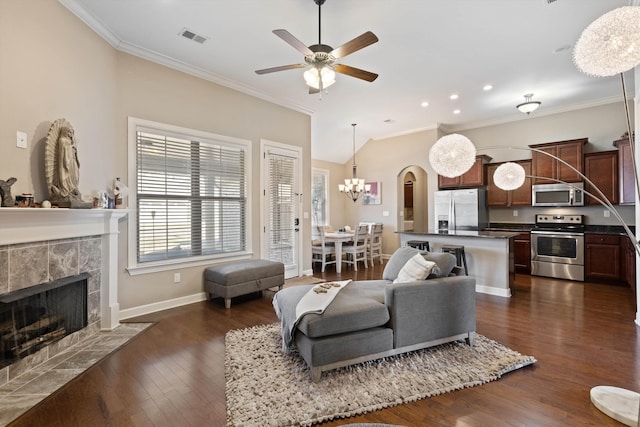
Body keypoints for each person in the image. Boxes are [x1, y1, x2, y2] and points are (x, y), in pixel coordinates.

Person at [54, 123, 80, 199]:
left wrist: (74, 147)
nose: (70, 134)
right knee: (67, 175)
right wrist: (71, 147)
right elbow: (64, 150)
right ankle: (66, 189)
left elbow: (74, 150)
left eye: (72, 132)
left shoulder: (71, 141)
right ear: (65, 132)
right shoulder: (62, 140)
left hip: (72, 161)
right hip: (65, 162)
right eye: (69, 132)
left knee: (75, 174)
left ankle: (73, 189)